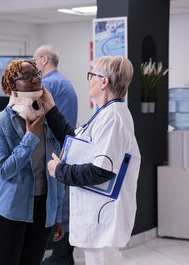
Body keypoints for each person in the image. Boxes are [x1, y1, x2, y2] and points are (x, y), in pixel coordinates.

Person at [43, 56, 141, 265]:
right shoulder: (104, 114)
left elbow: (101, 171)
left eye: (91, 75)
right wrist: (50, 108)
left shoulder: (113, 119)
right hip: (97, 217)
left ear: (104, 81)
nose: (89, 80)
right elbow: (76, 142)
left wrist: (59, 170)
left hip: (103, 219)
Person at [0, 59, 65, 265]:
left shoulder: (48, 119)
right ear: (13, 85)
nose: (35, 80)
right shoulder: (2, 121)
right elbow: (2, 170)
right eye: (27, 76)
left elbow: (55, 172)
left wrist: (57, 214)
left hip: (43, 210)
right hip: (9, 210)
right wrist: (30, 138)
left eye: (37, 74)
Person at [33, 45, 77, 265]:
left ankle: (61, 256)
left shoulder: (47, 84)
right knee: (64, 204)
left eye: (34, 60)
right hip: (66, 149)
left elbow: (32, 115)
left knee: (59, 204)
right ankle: (63, 255)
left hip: (55, 152)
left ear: (44, 59)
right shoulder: (65, 83)